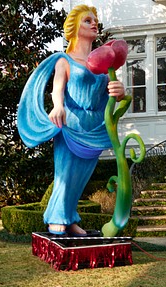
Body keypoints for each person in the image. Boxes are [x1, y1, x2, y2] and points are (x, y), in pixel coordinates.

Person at [17, 4, 125, 236]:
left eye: (95, 20)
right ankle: (56, 218)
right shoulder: (65, 61)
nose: (94, 23)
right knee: (65, 175)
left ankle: (69, 218)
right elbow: (58, 89)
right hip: (69, 124)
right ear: (74, 27)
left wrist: (120, 91)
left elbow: (110, 95)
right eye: (88, 20)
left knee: (81, 178)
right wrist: (57, 106)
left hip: (94, 127)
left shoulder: (104, 66)